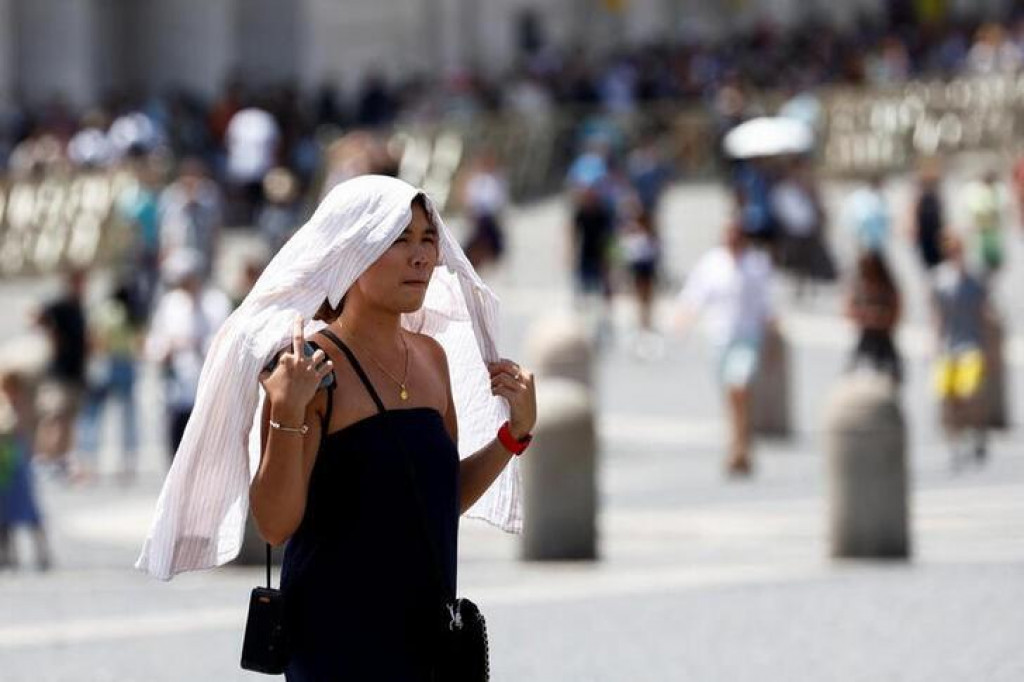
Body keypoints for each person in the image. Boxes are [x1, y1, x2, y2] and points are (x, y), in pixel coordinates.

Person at [136, 176, 536, 681]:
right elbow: (276, 524)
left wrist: (513, 437)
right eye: (398, 239)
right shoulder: (309, 369)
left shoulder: (433, 359)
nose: (421, 257)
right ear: (352, 253)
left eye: (427, 239)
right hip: (337, 646)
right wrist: (286, 408)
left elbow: (438, 499)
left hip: (425, 642)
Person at [675, 220, 774, 477]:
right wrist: (684, 321)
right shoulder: (712, 263)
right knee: (730, 394)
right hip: (720, 337)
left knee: (738, 386)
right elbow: (695, 295)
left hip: (747, 337)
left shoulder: (757, 264)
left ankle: (739, 447)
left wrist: (773, 330)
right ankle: (739, 442)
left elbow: (766, 302)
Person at [145, 250, 232, 461]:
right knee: (177, 447)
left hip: (207, 386)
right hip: (176, 389)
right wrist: (165, 349)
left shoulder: (216, 302)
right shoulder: (169, 304)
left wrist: (194, 343)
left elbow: (224, 340)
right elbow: (156, 340)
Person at [75, 278, 145, 484]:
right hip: (126, 364)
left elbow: (94, 338)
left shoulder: (105, 310)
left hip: (106, 363)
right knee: (127, 416)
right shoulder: (132, 313)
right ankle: (128, 461)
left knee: (93, 415)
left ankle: (88, 461)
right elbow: (139, 343)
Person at [932, 233, 991, 468]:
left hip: (971, 343)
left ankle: (977, 432)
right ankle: (954, 441)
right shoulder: (939, 279)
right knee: (947, 397)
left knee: (970, 393)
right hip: (949, 345)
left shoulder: (974, 279)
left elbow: (984, 313)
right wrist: (934, 343)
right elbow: (937, 315)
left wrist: (990, 348)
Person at [32, 269, 89, 477]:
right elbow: (37, 316)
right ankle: (44, 457)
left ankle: (60, 459)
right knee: (53, 417)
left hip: (75, 372)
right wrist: (53, 337)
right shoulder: (61, 305)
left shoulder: (79, 307)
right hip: (59, 373)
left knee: (68, 419)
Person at [0, 368, 51, 570]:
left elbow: (19, 429)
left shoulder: (23, 409)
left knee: (29, 512)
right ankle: (8, 555)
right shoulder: (6, 406)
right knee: (4, 515)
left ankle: (42, 554)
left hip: (19, 469)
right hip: (5, 469)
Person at [845, 251, 903, 385]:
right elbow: (850, 310)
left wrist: (879, 317)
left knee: (890, 375)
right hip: (866, 338)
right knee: (854, 375)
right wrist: (868, 316)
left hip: (884, 339)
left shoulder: (888, 288)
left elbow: (897, 311)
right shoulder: (859, 287)